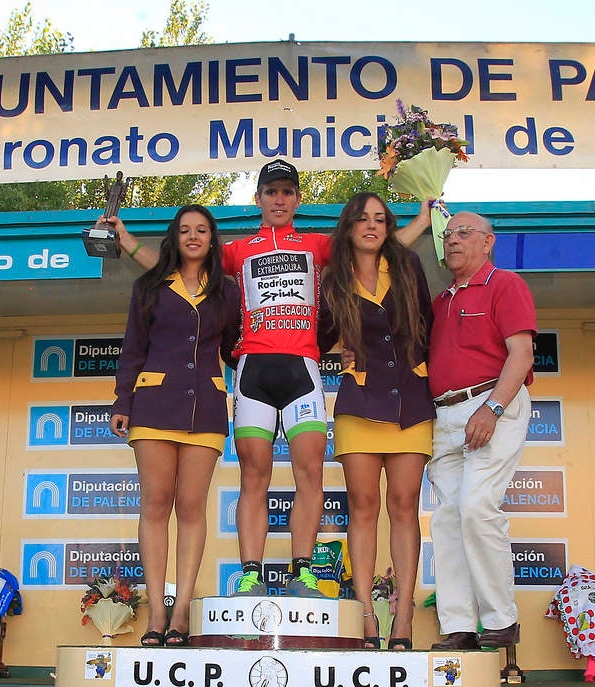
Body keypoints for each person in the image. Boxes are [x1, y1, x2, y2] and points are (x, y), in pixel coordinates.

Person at [111, 159, 430, 600]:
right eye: (270, 192)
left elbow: (373, 241)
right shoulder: (238, 250)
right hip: (252, 372)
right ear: (258, 198)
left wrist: (421, 220)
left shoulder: (317, 245)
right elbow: (172, 265)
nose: (279, 199)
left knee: (310, 473)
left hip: (303, 368)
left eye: (287, 192)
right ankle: (250, 573)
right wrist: (126, 241)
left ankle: (302, 571)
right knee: (254, 476)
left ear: (298, 199)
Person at [109, 205, 240, 646]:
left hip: (205, 408)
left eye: (202, 229)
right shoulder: (149, 285)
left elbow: (239, 345)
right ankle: (156, 612)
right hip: (153, 404)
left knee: (191, 506)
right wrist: (122, 400)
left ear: (212, 238)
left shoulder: (227, 291)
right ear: (174, 237)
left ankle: (182, 608)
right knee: (156, 503)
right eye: (184, 229)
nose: (193, 236)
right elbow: (132, 348)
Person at [318, 193, 434, 650]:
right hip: (359, 403)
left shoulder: (407, 267)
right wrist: (339, 347)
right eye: (362, 219)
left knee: (404, 506)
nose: (371, 226)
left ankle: (402, 618)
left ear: (388, 227)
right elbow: (320, 334)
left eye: (380, 219)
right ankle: (367, 616)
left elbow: (428, 324)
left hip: (410, 401)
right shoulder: (333, 278)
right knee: (363, 508)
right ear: (348, 228)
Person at [427, 211, 537, 651]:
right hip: (443, 414)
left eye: (464, 233)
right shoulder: (440, 300)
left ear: (488, 242)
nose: (453, 241)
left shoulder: (505, 284)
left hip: (492, 401)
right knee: (447, 518)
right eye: (449, 235)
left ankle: (501, 619)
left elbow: (523, 353)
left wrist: (492, 408)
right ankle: (459, 626)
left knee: (476, 506)